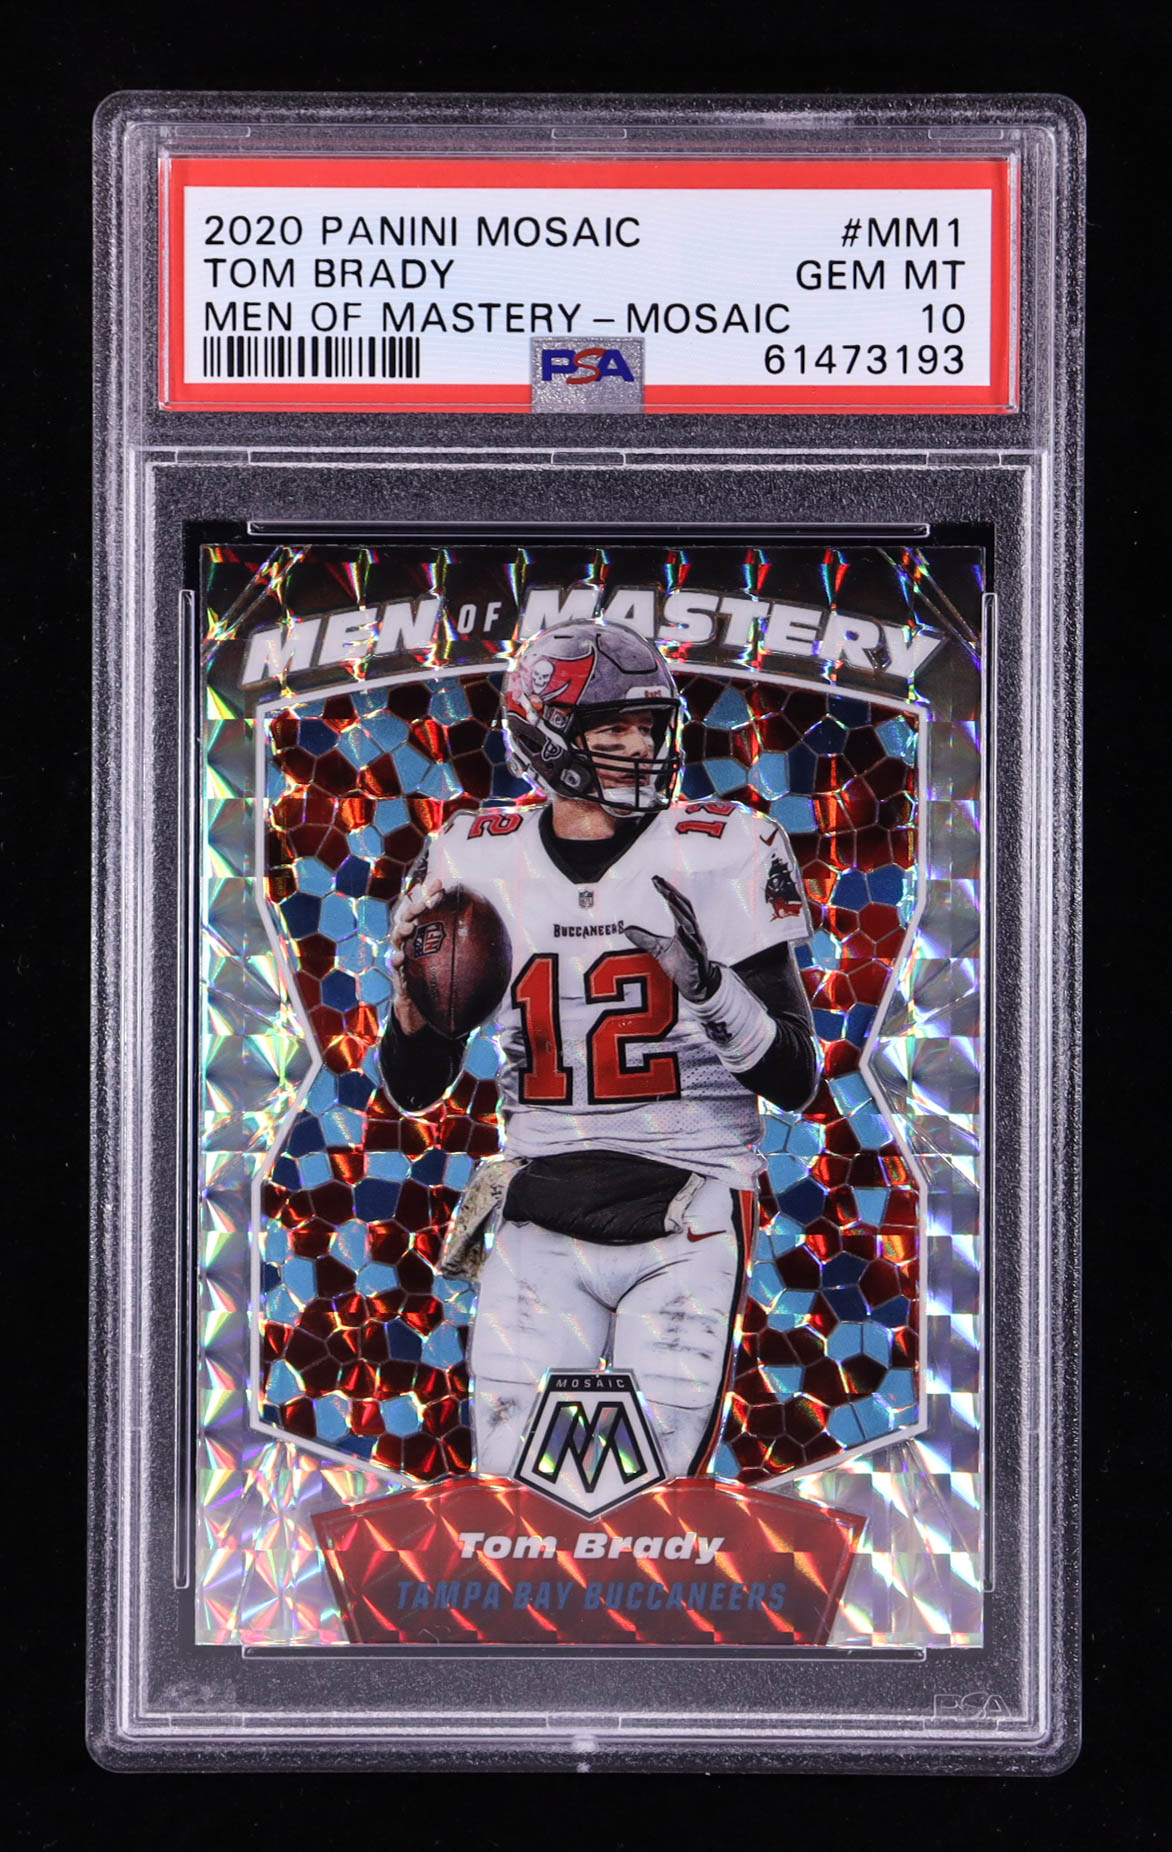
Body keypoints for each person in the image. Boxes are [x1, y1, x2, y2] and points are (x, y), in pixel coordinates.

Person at [379, 621, 820, 1480]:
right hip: (541, 1209)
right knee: (513, 1489)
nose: (642, 747)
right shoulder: (475, 856)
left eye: (650, 726)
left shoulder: (722, 846)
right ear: (545, 735)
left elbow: (797, 1078)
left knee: (650, 1491)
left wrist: (708, 988)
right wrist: (412, 1009)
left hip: (688, 1207)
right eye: (614, 728)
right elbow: (415, 1088)